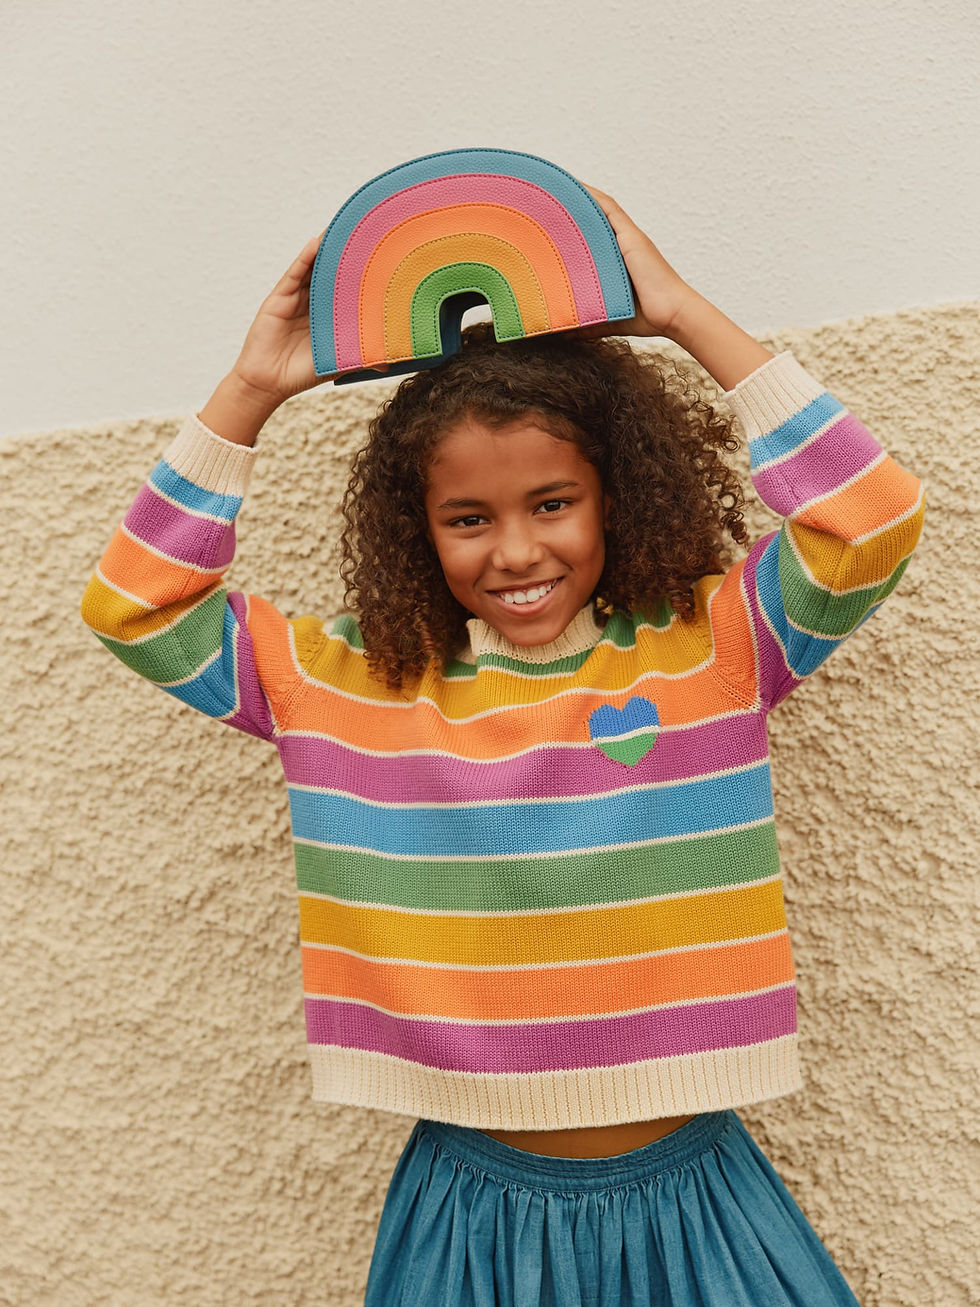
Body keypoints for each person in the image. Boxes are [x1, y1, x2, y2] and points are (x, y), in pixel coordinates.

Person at [80, 184, 924, 1305]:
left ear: (612, 499)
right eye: (467, 517)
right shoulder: (352, 680)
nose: (515, 548)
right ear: (414, 527)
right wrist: (251, 390)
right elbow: (133, 606)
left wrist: (675, 308)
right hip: (470, 1220)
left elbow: (869, 516)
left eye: (552, 501)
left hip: (697, 1203)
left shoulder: (710, 648)